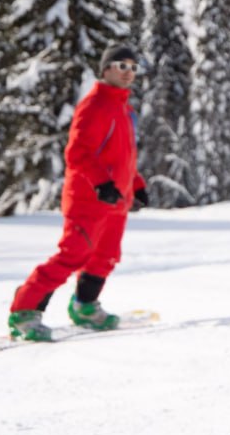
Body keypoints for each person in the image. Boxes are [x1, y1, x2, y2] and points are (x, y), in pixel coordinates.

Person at [8, 43, 148, 341]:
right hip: (89, 199)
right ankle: (24, 312)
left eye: (133, 68)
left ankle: (85, 307)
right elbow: (78, 153)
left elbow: (124, 156)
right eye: (122, 66)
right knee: (72, 256)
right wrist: (101, 184)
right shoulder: (95, 105)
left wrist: (136, 185)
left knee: (106, 256)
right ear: (106, 68)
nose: (128, 73)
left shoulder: (125, 109)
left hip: (115, 200)